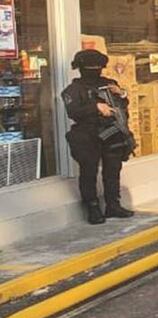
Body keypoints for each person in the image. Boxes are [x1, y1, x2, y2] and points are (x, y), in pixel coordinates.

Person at [61, 49, 135, 224]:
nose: (96, 71)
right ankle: (92, 208)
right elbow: (72, 112)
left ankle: (113, 205)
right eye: (91, 67)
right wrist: (96, 107)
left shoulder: (109, 83)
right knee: (89, 172)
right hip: (88, 136)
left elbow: (122, 104)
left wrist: (121, 93)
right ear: (80, 68)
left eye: (98, 67)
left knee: (113, 170)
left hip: (112, 134)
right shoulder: (73, 90)